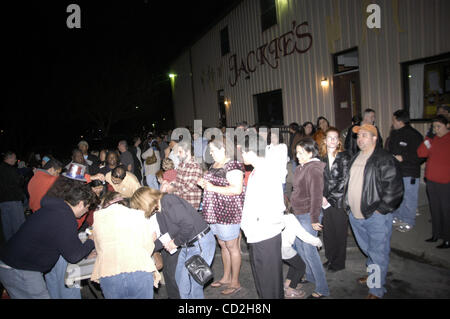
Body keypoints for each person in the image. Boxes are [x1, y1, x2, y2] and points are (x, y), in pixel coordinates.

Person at [0, 177, 96, 299]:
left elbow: (65, 244)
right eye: (87, 208)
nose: (86, 212)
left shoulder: (55, 209)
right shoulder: (66, 217)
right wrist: (91, 241)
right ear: (81, 203)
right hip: (19, 270)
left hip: (13, 263)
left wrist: (85, 253)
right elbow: (73, 256)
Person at [344, 123, 403, 299]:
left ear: (374, 138)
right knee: (369, 250)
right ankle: (373, 276)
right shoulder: (356, 157)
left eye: (364, 135)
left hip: (375, 216)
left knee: (377, 252)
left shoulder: (384, 158)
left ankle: (376, 289)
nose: (360, 139)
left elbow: (395, 188)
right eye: (358, 135)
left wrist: (381, 210)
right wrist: (348, 207)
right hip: (355, 215)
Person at [130, 187, 216, 299]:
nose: (140, 211)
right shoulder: (160, 211)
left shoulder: (168, 200)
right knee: (180, 280)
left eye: (139, 207)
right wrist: (149, 248)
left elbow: (188, 224)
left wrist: (175, 243)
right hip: (188, 245)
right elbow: (168, 235)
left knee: (192, 285)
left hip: (200, 242)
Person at [197, 138, 245, 296]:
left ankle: (235, 281)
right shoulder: (214, 165)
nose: (211, 153)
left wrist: (212, 187)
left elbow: (237, 189)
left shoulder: (233, 165)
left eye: (213, 150)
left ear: (224, 149)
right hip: (214, 212)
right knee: (223, 245)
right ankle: (226, 277)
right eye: (210, 150)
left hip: (228, 212)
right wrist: (204, 183)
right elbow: (215, 184)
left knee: (232, 247)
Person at [90, 192, 161, 299]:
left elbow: (99, 249)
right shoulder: (137, 215)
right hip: (139, 270)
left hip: (109, 272)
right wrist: (151, 240)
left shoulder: (98, 219)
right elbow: (147, 248)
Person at [240, 134, 285, 299]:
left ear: (251, 151)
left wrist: (254, 226)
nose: (242, 156)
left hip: (265, 234)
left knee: (269, 282)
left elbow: (272, 205)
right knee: (263, 280)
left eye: (243, 152)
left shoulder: (266, 171)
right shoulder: (257, 171)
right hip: (258, 234)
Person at [290, 137, 329, 299]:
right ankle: (310, 276)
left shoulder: (314, 169)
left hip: (308, 214)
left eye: (300, 152)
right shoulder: (302, 167)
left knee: (310, 250)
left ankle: (322, 288)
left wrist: (314, 219)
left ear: (311, 152)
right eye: (296, 152)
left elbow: (316, 196)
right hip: (299, 213)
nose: (297, 155)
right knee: (300, 246)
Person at [319, 128, 351, 272]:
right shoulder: (321, 158)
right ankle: (330, 258)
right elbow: (319, 179)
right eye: (329, 137)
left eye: (335, 137)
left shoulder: (344, 157)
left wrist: (329, 199)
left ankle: (339, 263)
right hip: (324, 201)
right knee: (328, 232)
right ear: (325, 140)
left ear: (338, 141)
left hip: (339, 201)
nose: (332, 140)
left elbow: (345, 181)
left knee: (339, 232)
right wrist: (320, 196)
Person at [387, 110, 424, 232]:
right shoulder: (395, 134)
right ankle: (398, 217)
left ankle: (408, 221)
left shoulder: (414, 135)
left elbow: (421, 155)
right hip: (397, 172)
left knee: (409, 197)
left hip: (409, 172)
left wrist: (403, 158)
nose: (392, 122)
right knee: (398, 196)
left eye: (394, 120)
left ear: (399, 121)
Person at [417, 115, 450, 249]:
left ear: (447, 125)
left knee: (446, 210)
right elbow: (421, 153)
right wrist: (428, 138)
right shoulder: (433, 139)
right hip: (432, 181)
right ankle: (436, 234)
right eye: (434, 127)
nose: (436, 130)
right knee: (435, 209)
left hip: (445, 182)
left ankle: (447, 238)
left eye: (439, 127)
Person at [281, 212, 323, 298]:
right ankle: (290, 291)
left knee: (295, 261)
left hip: (274, 248)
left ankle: (287, 283)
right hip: (284, 248)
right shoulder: (290, 218)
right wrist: (317, 242)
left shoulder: (275, 215)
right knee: (301, 267)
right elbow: (303, 235)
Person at [161, 141, 203, 210]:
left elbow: (187, 187)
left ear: (188, 151)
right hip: (179, 202)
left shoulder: (195, 166)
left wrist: (172, 188)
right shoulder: (181, 165)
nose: (177, 154)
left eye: (180, 152)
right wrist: (168, 184)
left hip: (189, 205)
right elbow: (176, 180)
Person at [0, 151, 25, 241]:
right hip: (13, 199)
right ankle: (19, 245)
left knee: (7, 225)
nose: (15, 160)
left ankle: (9, 245)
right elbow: (18, 182)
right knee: (18, 224)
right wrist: (22, 177)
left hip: (2, 201)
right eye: (14, 158)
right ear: (9, 158)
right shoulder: (11, 170)